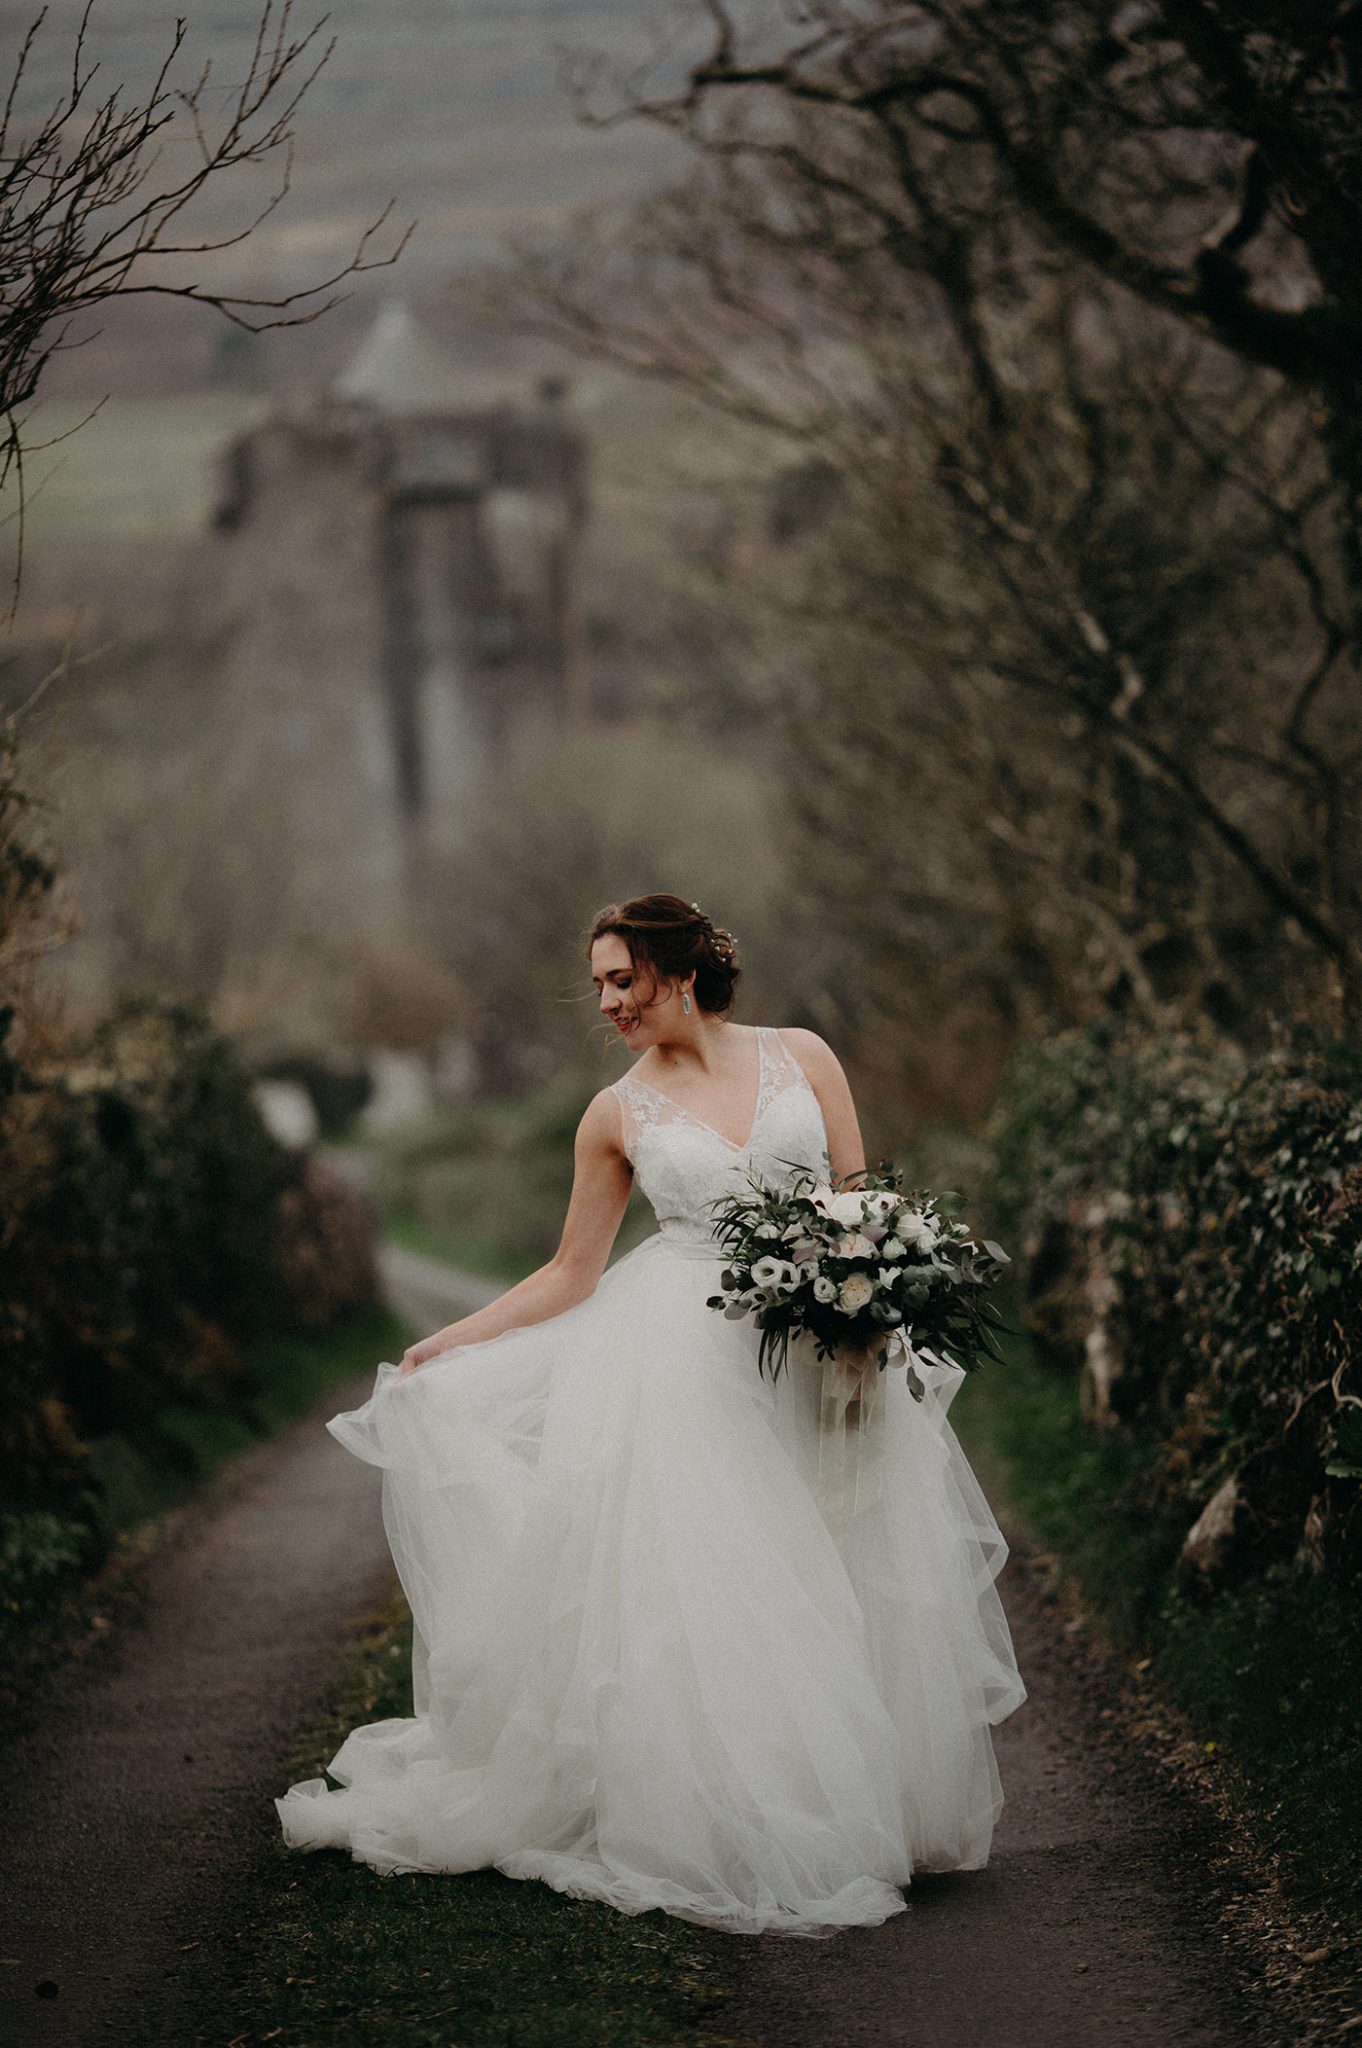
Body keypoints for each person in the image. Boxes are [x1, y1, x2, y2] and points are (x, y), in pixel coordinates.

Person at [275, 892, 1026, 1936]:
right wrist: (452, 1340)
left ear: (679, 969)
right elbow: (571, 1270)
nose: (607, 1002)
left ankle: (884, 1804)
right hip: (691, 1361)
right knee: (741, 1584)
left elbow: (862, 1193)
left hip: (827, 1346)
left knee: (853, 1556)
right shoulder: (614, 1113)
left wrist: (877, 1285)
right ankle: (762, 1816)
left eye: (620, 978)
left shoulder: (803, 1054)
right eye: (598, 985)